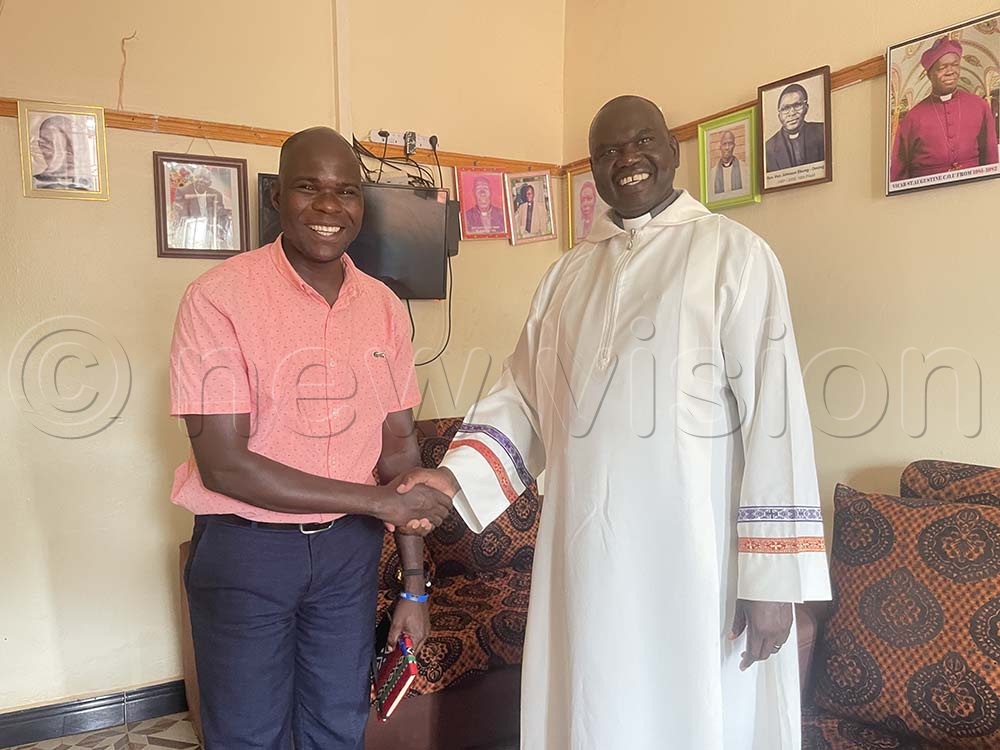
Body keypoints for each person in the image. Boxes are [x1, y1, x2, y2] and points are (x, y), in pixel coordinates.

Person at [398, 96, 831, 750]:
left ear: (672, 148)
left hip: (694, 553)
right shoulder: (567, 275)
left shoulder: (733, 255)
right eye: (606, 151)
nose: (626, 160)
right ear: (593, 169)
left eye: (641, 141)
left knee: (694, 707)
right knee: (597, 699)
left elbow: (776, 420)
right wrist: (452, 478)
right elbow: (523, 395)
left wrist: (772, 581)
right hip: (589, 554)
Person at [169, 126, 453, 750]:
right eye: (309, 188)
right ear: (276, 198)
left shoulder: (383, 306)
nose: (330, 207)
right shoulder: (216, 299)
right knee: (248, 733)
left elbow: (400, 453)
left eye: (347, 192)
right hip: (247, 554)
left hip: (347, 555)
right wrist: (379, 503)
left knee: (335, 723)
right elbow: (224, 466)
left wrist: (413, 585)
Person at [890, 36, 999, 181]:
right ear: (929, 75)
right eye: (942, 68)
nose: (950, 71)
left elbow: (990, 157)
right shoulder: (912, 117)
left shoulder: (980, 106)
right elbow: (899, 171)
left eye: (955, 65)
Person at [764, 83, 826, 173]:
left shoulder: (822, 131)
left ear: (806, 108)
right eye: (785, 108)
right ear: (779, 115)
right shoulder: (768, 148)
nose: (792, 113)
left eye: (797, 105)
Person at [171, 167, 233, 250]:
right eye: (198, 177)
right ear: (193, 179)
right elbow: (182, 215)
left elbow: (220, 214)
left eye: (204, 179)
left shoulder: (216, 194)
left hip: (211, 234)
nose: (200, 180)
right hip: (191, 233)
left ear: (210, 183)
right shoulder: (183, 192)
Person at [32, 115, 92, 190]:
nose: (69, 152)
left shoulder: (88, 184)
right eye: (48, 144)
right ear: (40, 146)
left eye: (71, 144)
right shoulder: (34, 184)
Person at [713, 129, 748, 194]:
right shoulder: (712, 173)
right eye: (724, 144)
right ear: (720, 147)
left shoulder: (744, 168)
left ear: (734, 145)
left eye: (730, 143)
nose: (727, 147)